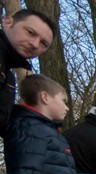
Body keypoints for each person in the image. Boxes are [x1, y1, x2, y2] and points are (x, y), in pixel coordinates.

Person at [0, 9, 54, 138]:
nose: (35, 44)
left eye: (43, 43)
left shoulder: (10, 78)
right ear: (7, 22)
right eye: (30, 32)